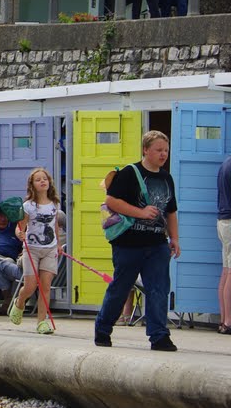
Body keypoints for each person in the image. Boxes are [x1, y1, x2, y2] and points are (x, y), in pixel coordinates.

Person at [94, 131, 180, 352]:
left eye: (166, 151)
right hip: (128, 244)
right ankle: (103, 328)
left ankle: (159, 336)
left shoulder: (166, 178)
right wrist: (141, 212)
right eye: (158, 150)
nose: (163, 155)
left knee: (159, 289)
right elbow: (111, 200)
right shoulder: (131, 173)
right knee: (121, 287)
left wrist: (174, 238)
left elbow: (170, 211)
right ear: (145, 150)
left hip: (157, 244)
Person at [9, 168, 64, 335]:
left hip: (50, 248)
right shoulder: (28, 206)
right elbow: (20, 228)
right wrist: (20, 234)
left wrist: (58, 244)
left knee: (45, 286)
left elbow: (54, 226)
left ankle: (42, 322)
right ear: (32, 185)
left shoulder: (54, 204)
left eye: (45, 179)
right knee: (31, 286)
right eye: (38, 179)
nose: (42, 181)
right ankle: (19, 301)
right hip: (31, 249)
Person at [0, 203, 23, 298]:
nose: (3, 219)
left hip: (8, 260)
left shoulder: (15, 228)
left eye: (5, 216)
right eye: (0, 216)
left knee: (3, 264)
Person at [217, 155, 231, 335]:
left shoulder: (226, 163)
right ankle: (229, 322)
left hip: (223, 221)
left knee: (227, 270)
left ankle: (223, 320)